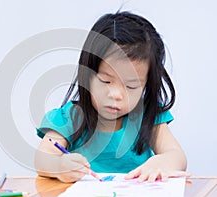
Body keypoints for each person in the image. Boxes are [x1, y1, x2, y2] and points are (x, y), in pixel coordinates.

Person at [34, 11, 190, 183]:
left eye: (131, 86)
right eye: (105, 81)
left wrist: (162, 162)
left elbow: (177, 156)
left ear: (147, 85)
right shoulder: (70, 117)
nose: (116, 95)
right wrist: (59, 166)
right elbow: (42, 159)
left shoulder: (147, 116)